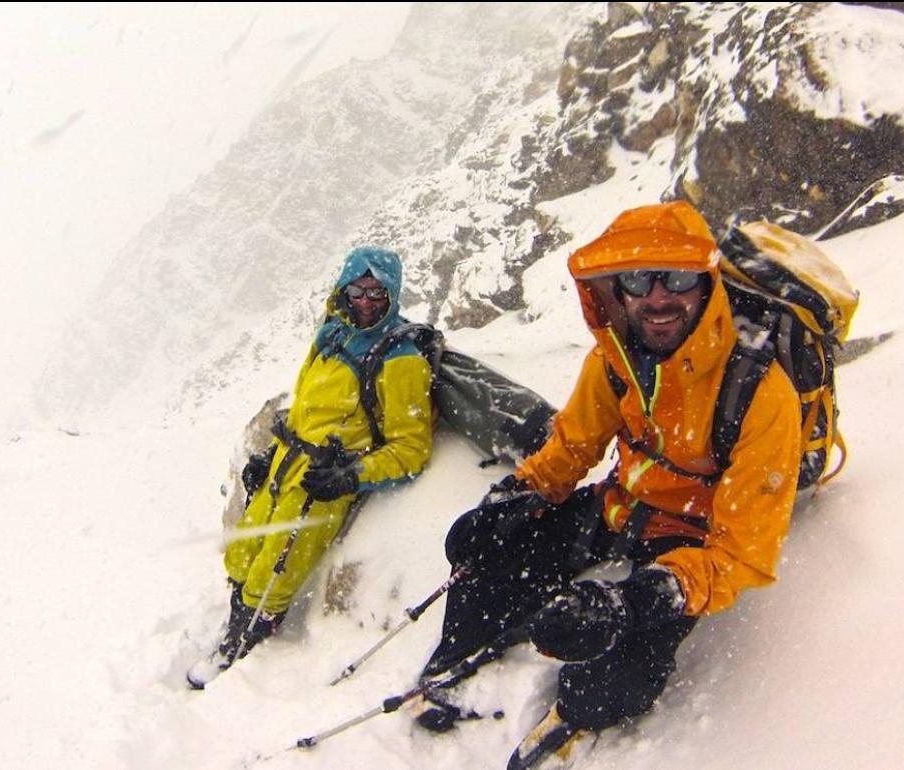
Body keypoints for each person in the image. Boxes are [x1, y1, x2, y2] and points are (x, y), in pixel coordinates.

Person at [409, 201, 802, 768]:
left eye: (678, 277)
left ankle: (577, 713)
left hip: (686, 540)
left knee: (613, 677)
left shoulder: (760, 392)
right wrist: (515, 497)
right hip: (619, 508)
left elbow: (743, 552)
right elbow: (571, 448)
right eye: (640, 279)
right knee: (494, 558)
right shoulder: (617, 359)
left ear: (706, 281)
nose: (659, 297)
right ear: (617, 291)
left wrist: (637, 600)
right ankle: (456, 664)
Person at [187, 245, 435, 689]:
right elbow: (308, 407)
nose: (365, 302)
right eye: (357, 290)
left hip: (324, 481)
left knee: (274, 570)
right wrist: (268, 458)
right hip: (288, 464)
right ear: (343, 289)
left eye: (377, 293)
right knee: (244, 552)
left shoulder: (400, 359)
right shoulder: (333, 337)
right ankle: (237, 619)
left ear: (392, 295)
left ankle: (244, 642)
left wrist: (351, 476)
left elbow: (410, 449)